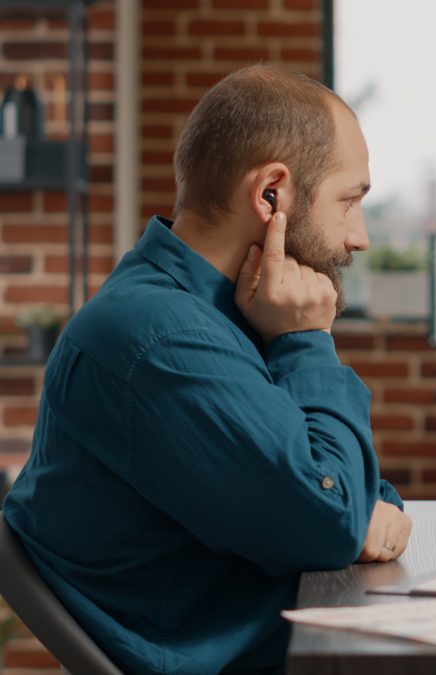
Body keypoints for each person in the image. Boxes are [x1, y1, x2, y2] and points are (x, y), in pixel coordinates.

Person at [2, 66, 411, 674]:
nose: (360, 237)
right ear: (271, 194)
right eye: (349, 201)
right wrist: (306, 341)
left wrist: (351, 508)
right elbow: (336, 516)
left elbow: (357, 490)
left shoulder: (224, 317)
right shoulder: (163, 339)